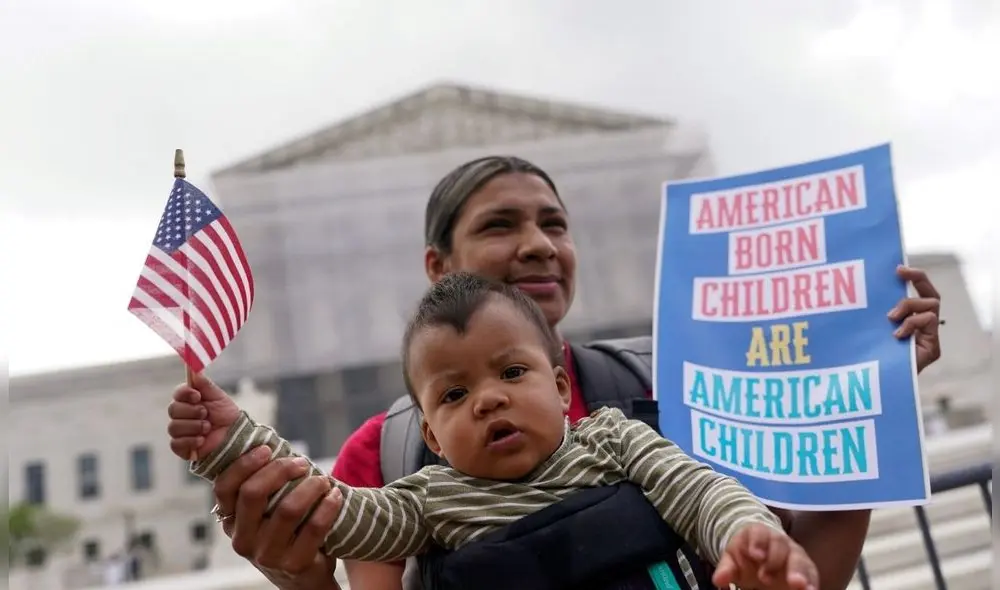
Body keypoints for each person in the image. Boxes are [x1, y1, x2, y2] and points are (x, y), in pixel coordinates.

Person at [192, 156, 943, 590]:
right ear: (439, 268)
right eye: (500, 225)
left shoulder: (667, 394)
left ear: (557, 388)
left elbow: (791, 560)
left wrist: (867, 380)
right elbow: (336, 509)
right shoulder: (389, 466)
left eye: (554, 223)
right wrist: (295, 559)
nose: (540, 245)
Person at [171, 272, 820, 590]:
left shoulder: (616, 440)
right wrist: (234, 442)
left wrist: (750, 536)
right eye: (454, 393)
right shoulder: (426, 497)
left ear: (562, 389)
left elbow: (701, 491)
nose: (488, 400)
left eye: (512, 371)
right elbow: (333, 512)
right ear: (430, 427)